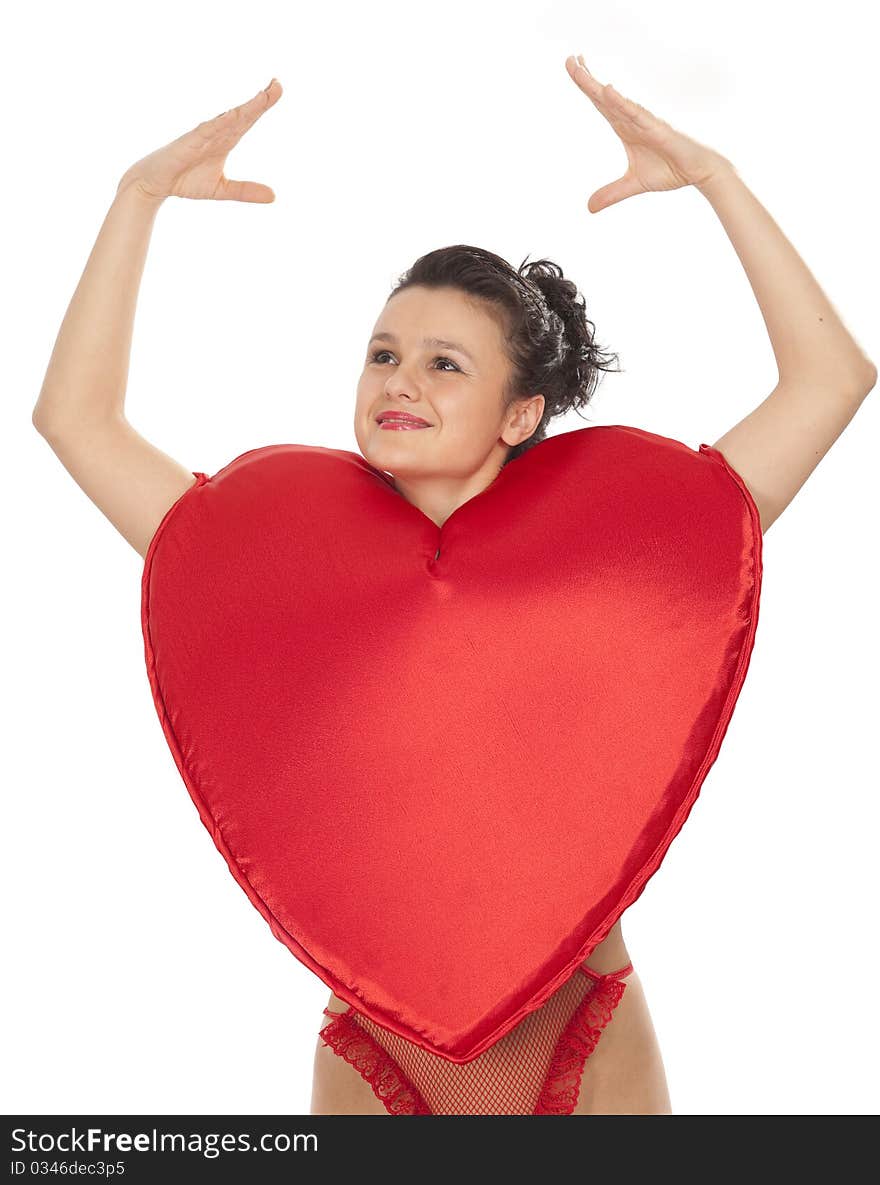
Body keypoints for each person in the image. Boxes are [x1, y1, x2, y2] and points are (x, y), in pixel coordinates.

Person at [31, 57, 876, 1116]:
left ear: (519, 416)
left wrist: (714, 177)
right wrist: (136, 197)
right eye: (383, 353)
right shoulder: (269, 549)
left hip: (578, 1019)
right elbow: (76, 421)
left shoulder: (619, 543)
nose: (398, 378)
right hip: (377, 1043)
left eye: (445, 364)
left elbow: (832, 379)